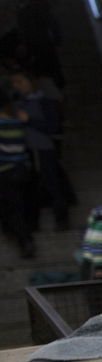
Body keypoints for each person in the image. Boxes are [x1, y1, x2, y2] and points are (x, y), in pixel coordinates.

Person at [10, 68, 75, 231]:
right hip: (23, 151)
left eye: (21, 82)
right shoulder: (16, 104)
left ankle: (62, 218)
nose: (18, 86)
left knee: (53, 183)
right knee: (29, 187)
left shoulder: (44, 102)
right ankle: (32, 223)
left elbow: (52, 127)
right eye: (14, 83)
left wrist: (29, 120)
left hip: (43, 149)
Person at [0, 95, 35, 258]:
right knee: (17, 206)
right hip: (21, 169)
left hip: (6, 171)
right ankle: (20, 234)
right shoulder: (16, 122)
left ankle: (23, 239)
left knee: (12, 208)